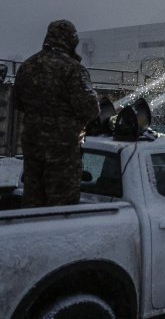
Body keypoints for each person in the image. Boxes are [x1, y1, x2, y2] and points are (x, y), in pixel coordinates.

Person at [13, 20, 100, 207]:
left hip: (32, 144)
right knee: (62, 205)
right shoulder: (73, 69)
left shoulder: (27, 66)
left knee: (33, 199)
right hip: (63, 148)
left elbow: (17, 103)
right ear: (70, 40)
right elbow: (89, 109)